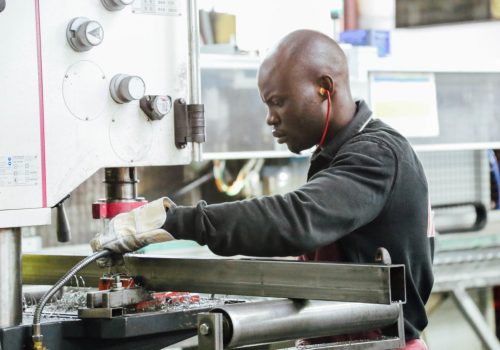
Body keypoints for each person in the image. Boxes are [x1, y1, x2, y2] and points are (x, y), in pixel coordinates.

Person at [91, 29, 434, 349]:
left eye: (278, 102)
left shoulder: (376, 154)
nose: (270, 118)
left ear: (324, 88)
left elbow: (296, 219)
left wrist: (172, 221)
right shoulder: (339, 155)